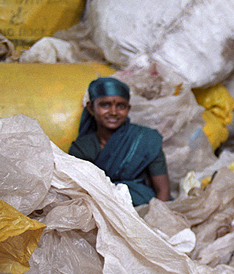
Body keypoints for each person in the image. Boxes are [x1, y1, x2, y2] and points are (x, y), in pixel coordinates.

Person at [69, 76, 170, 206]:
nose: (113, 112)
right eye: (105, 105)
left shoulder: (146, 139)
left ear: (128, 109)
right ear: (90, 108)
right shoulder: (81, 148)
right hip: (100, 210)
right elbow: (80, 194)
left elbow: (163, 191)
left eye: (121, 106)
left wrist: (158, 219)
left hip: (145, 208)